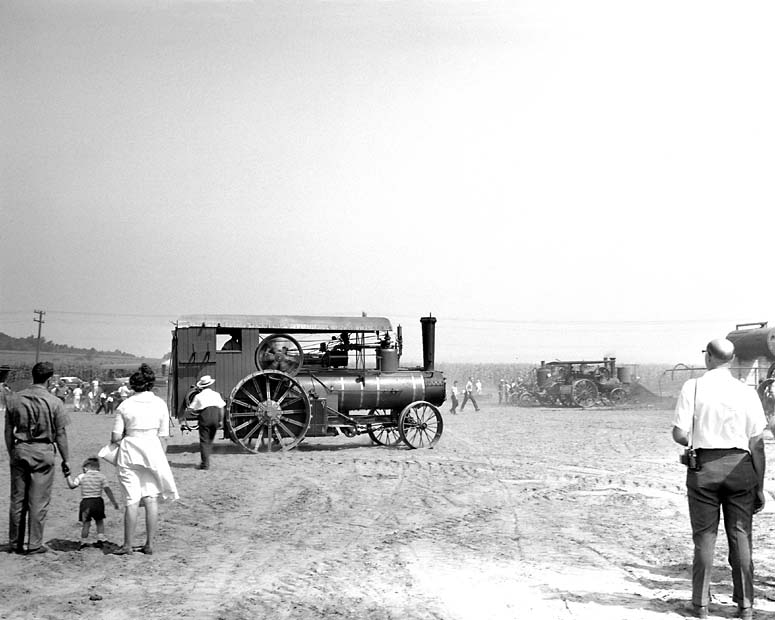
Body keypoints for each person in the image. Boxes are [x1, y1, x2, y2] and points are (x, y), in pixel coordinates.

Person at [672, 338, 767, 620]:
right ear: (732, 358)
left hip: (704, 468)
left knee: (704, 537)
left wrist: (695, 437)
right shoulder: (746, 391)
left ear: (708, 358)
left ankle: (700, 605)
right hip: (740, 467)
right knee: (740, 537)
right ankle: (745, 606)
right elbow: (757, 443)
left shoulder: (693, 386)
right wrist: (759, 485)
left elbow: (679, 433)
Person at [110, 364, 179, 555]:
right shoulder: (160, 404)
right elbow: (164, 436)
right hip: (153, 450)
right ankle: (149, 544)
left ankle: (127, 545)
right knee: (150, 498)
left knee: (132, 499)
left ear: (133, 385)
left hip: (130, 450)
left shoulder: (125, 405)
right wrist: (160, 457)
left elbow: (115, 437)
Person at [4, 361, 71, 554]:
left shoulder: (14, 399)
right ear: (49, 379)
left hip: (20, 449)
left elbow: (8, 430)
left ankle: (15, 542)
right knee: (38, 501)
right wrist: (66, 459)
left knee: (17, 500)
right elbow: (61, 435)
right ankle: (34, 544)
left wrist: (12, 452)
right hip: (43, 452)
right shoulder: (55, 402)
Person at [66, 456, 119, 548]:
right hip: (98, 501)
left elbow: (72, 485)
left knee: (86, 524)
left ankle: (83, 541)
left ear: (85, 468)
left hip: (86, 502)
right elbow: (107, 489)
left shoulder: (82, 476)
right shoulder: (101, 476)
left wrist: (67, 476)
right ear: (98, 468)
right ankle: (100, 538)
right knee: (99, 521)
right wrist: (113, 502)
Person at [185, 375, 226, 470]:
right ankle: (206, 460)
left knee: (204, 441)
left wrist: (193, 413)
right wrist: (220, 420)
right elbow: (222, 408)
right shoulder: (216, 394)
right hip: (215, 417)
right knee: (210, 441)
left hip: (205, 417)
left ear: (201, 386)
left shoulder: (198, 396)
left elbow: (191, 409)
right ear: (210, 385)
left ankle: (205, 464)